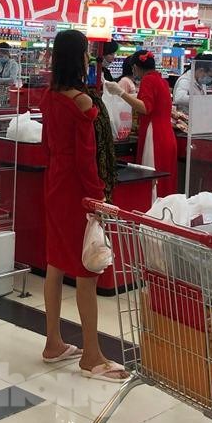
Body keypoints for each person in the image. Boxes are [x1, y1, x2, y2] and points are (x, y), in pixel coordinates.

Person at [37, 29, 128, 382]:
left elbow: (47, 146)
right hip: (77, 190)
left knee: (55, 263)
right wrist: (97, 198)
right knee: (88, 269)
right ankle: (91, 355)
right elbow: (87, 160)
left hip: (54, 184)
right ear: (80, 58)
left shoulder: (49, 97)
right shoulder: (82, 102)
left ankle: (53, 342)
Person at [109, 50, 177, 191]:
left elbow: (145, 108)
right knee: (164, 178)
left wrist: (121, 93)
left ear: (135, 67)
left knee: (151, 179)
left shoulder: (148, 80)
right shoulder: (162, 81)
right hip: (167, 134)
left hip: (154, 135)